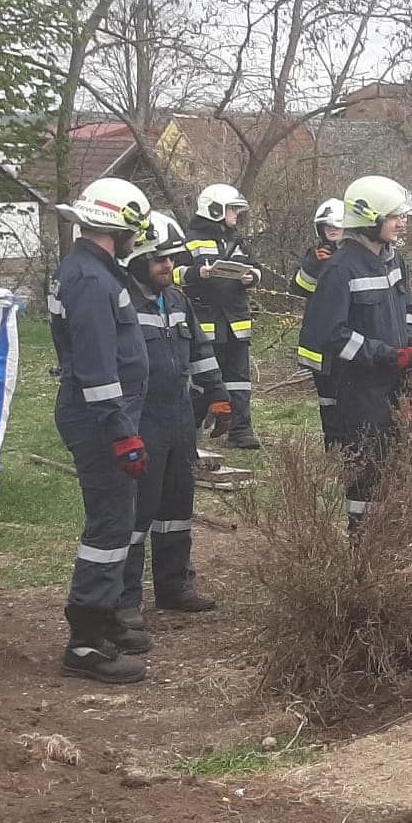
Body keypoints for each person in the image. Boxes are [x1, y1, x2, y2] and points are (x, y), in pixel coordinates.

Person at [49, 177, 155, 683]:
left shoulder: (92, 270)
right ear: (122, 227)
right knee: (109, 527)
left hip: (107, 415)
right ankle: (86, 643)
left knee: (118, 519)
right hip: (100, 419)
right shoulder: (91, 280)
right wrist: (121, 432)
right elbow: (95, 367)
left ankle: (106, 616)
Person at [296, 176, 412, 533]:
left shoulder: (391, 260)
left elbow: (407, 308)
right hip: (358, 387)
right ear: (370, 220)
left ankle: (387, 536)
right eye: (394, 216)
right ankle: (362, 540)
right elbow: (329, 334)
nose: (401, 223)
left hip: (393, 382)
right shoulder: (340, 269)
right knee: (368, 468)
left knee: (394, 461)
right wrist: (383, 355)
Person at [119, 212, 225, 631]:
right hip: (141, 419)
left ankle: (174, 585)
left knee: (178, 506)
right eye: (159, 259)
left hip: (180, 417)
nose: (169, 265)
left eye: (171, 258)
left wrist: (218, 394)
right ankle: (126, 599)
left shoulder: (178, 301)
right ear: (136, 262)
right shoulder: (123, 304)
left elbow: (200, 351)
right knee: (137, 512)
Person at [176, 183, 263, 449]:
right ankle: (189, 433)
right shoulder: (191, 239)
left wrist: (251, 277)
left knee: (239, 380)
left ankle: (240, 430)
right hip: (205, 321)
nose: (236, 214)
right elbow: (173, 273)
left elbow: (256, 268)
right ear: (215, 209)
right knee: (203, 379)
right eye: (231, 209)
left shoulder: (237, 240)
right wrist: (197, 274)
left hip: (236, 322)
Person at [290, 198, 347, 446]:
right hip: (321, 342)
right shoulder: (314, 256)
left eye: (337, 225)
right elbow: (299, 288)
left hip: (347, 336)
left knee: (349, 396)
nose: (332, 230)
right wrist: (313, 265)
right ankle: (332, 447)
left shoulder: (356, 257)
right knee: (327, 398)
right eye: (327, 226)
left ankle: (351, 448)